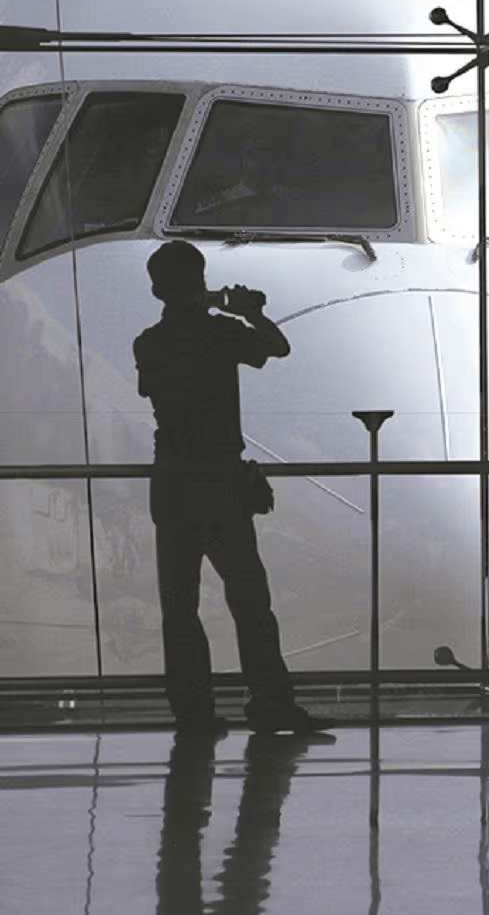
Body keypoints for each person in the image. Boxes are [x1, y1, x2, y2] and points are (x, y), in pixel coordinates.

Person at [134, 240, 331, 735]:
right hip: (221, 483)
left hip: (173, 485)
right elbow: (278, 347)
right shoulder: (220, 334)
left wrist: (209, 308)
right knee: (249, 601)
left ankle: (193, 712)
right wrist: (248, 312)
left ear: (157, 291)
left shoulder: (149, 343)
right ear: (200, 281)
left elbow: (155, 387)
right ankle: (270, 702)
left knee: (179, 607)